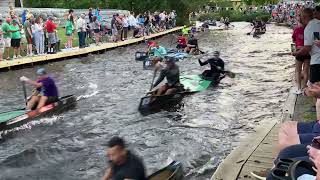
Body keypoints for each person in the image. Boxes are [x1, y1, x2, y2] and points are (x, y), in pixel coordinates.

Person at [294, 7, 320, 120]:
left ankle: (318, 113)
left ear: (305, 17)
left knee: (315, 87)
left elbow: (308, 48)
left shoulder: (309, 28)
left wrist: (296, 53)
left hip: (316, 61)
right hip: (318, 58)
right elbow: (316, 41)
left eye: (301, 17)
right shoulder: (318, 23)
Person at [292, 15, 310, 94]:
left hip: (299, 51)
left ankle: (298, 89)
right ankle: (304, 87)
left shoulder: (296, 29)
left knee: (298, 71)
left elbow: (293, 39)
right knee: (306, 70)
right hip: (307, 51)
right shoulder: (308, 30)